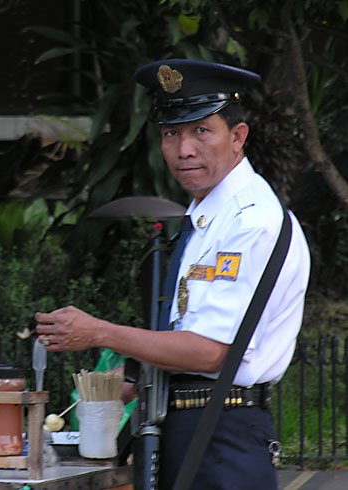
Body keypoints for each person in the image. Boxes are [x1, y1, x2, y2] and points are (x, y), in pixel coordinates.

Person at [35, 59, 310, 489]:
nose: (183, 150)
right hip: (190, 430)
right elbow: (190, 328)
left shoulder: (248, 222)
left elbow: (210, 353)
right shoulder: (207, 215)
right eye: (171, 133)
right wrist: (133, 376)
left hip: (223, 438)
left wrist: (100, 332)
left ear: (237, 137)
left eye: (201, 131)